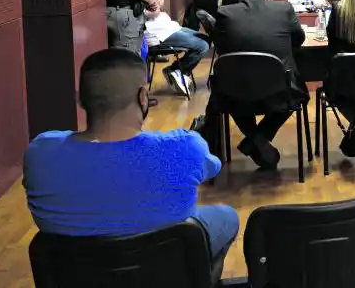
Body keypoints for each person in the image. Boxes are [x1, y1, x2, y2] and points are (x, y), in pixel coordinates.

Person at [23, 49, 238, 267]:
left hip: (76, 271)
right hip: (163, 269)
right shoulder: (186, 146)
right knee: (226, 216)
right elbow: (213, 167)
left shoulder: (40, 153)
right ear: (143, 97)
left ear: (81, 98)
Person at [210, 0, 306, 169]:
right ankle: (258, 140)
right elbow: (298, 39)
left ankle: (255, 139)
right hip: (279, 90)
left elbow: (220, 46)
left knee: (234, 98)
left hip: (236, 88)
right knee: (297, 95)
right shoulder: (284, 9)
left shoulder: (225, 12)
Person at [145, 9, 210, 97]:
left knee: (207, 40)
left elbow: (159, 4)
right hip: (156, 34)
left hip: (169, 26)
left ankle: (176, 70)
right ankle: (178, 70)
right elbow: (150, 11)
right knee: (203, 45)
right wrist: (154, 8)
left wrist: (156, 4)